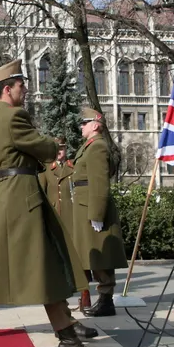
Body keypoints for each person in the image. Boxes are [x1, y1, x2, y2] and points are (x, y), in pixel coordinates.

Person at [0, 59, 105, 347]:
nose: (26, 89)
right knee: (6, 276)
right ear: (8, 89)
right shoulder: (13, 117)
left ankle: (68, 341)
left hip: (9, 201)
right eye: (21, 85)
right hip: (23, 202)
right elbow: (45, 149)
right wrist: (54, 143)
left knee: (43, 270)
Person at [72, 108, 128, 317]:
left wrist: (97, 213)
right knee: (92, 254)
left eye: (84, 122)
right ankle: (103, 300)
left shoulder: (97, 147)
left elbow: (99, 182)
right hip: (84, 206)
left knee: (101, 255)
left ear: (95, 125)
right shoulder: (89, 147)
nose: (81, 126)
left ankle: (106, 301)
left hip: (91, 208)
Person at [39, 139, 94, 310]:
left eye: (62, 148)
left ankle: (85, 296)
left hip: (73, 218)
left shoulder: (74, 167)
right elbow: (41, 192)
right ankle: (60, 301)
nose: (59, 152)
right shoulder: (47, 169)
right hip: (56, 218)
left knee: (80, 259)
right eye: (56, 149)